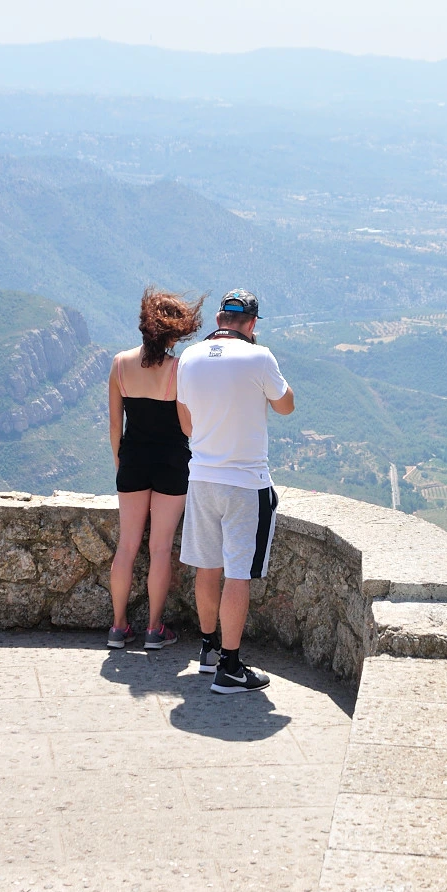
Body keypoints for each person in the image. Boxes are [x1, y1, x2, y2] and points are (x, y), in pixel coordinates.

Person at [176, 288, 295, 693]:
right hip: (245, 482)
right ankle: (230, 667)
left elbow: (186, 424)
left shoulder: (189, 357)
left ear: (218, 320)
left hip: (201, 479)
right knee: (238, 574)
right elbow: (285, 406)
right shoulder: (259, 357)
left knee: (207, 567)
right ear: (253, 323)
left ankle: (208, 650)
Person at [107, 286, 204, 650]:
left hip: (132, 460)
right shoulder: (179, 370)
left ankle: (118, 627)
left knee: (127, 546)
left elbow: (115, 426)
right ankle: (153, 630)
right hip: (171, 463)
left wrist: (121, 463)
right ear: (174, 333)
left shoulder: (119, 364)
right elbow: (188, 426)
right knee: (160, 548)